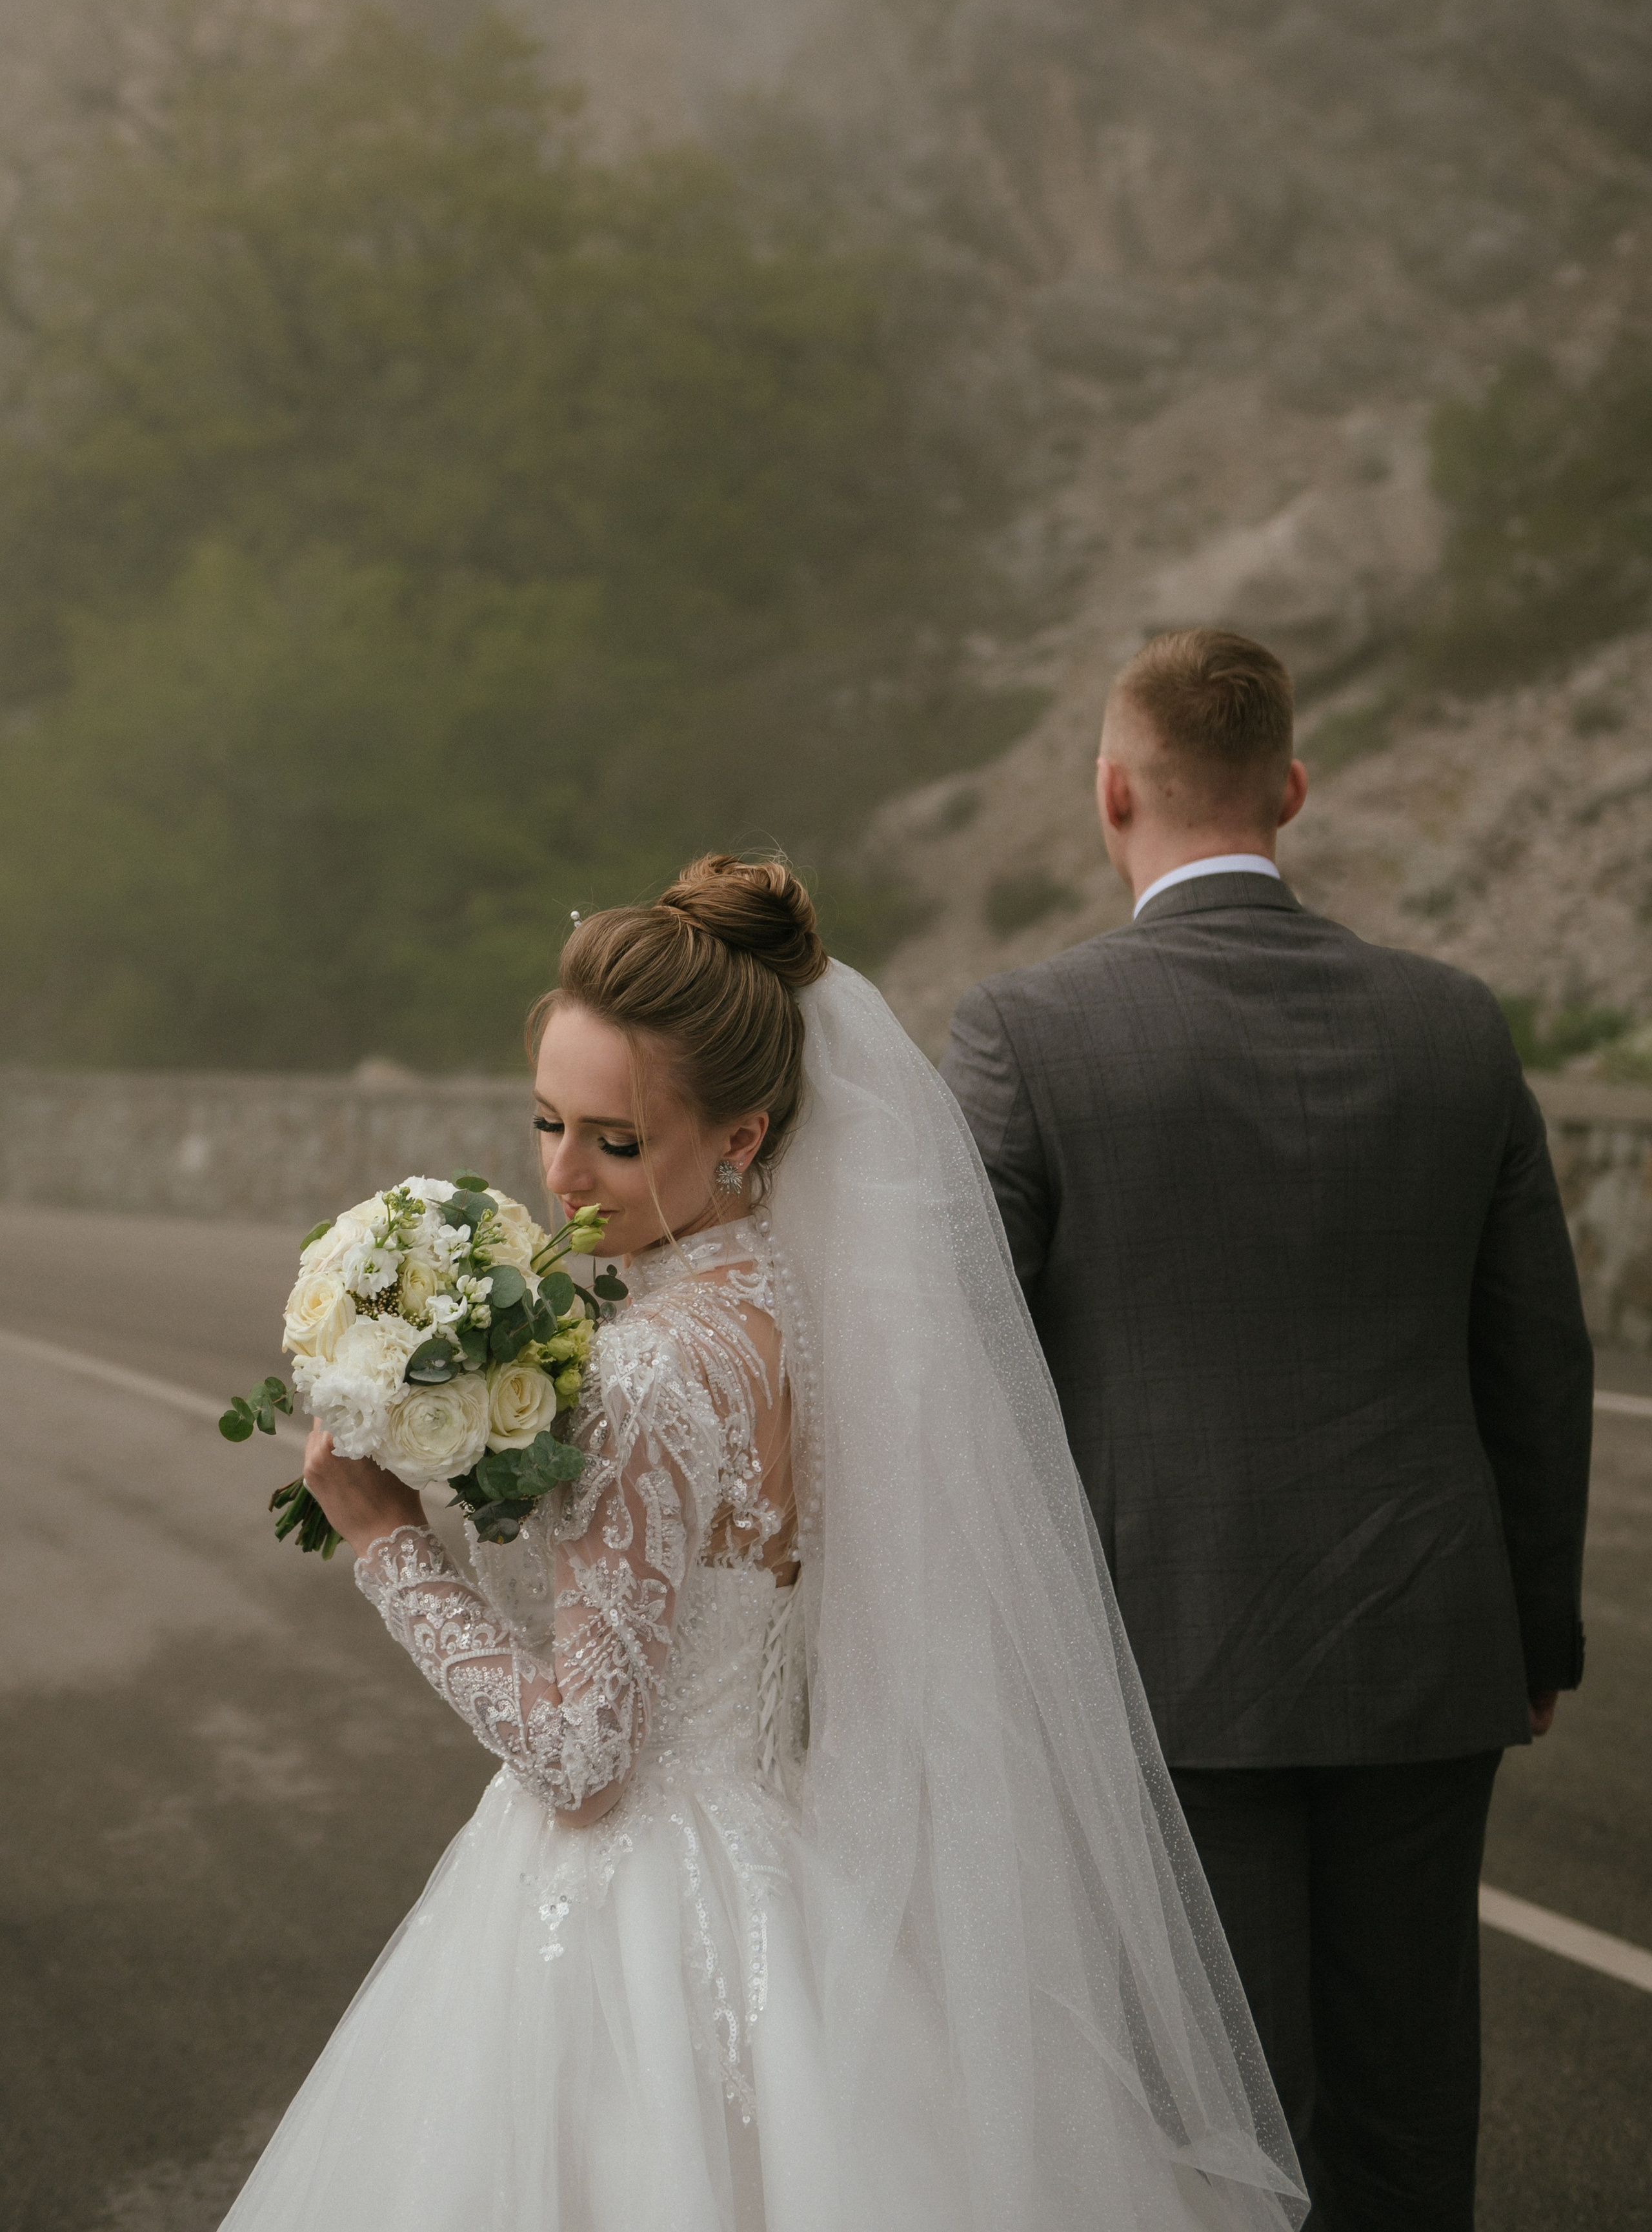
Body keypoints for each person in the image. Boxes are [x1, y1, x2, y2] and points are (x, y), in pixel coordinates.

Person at [220, 854, 1306, 2232]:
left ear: (740, 1135)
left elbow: (584, 1759)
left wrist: (389, 1541)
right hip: (776, 1867)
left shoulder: (639, 1370)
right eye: (547, 1120)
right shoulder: (801, 1310)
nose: (560, 1174)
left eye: (617, 1141)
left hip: (630, 1913)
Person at [942, 629, 1594, 2232]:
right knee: (1405, 2106)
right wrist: (1534, 1629)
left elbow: (966, 1369)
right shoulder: (1454, 1023)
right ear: (1290, 788)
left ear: (1111, 793)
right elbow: (1534, 1357)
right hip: (1428, 1651)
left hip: (1161, 1658)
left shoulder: (1025, 1032)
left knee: (1214, 2128)